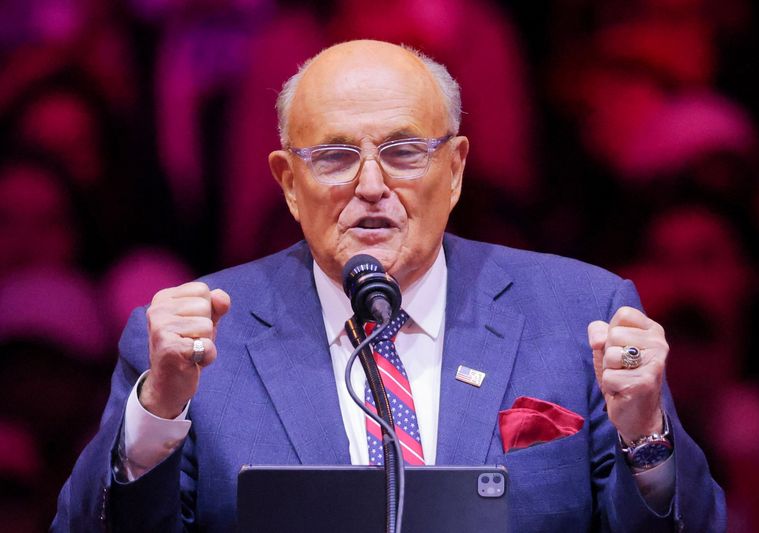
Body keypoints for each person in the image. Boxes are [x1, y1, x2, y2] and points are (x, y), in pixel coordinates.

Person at [52, 39, 725, 531]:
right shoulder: (190, 344)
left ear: (456, 169)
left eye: (404, 151)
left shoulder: (582, 314)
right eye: (336, 156)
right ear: (288, 182)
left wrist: (646, 436)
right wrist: (156, 417)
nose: (371, 186)